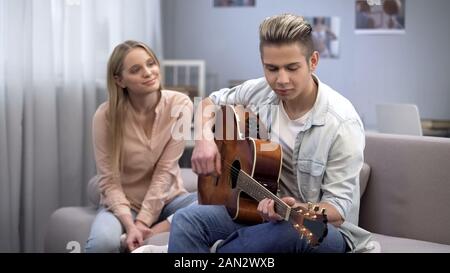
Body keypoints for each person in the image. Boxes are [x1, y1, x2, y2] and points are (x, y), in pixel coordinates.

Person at [168, 13, 372, 253]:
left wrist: (295, 208)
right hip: (259, 211)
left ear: (313, 61)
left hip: (320, 230)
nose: (281, 80)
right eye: (272, 68)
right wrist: (204, 139)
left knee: (287, 231)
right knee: (186, 220)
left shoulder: (342, 122)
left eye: (292, 68)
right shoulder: (260, 91)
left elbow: (338, 210)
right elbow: (210, 103)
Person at [85, 40, 196, 253]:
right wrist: (129, 222)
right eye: (136, 70)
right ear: (119, 80)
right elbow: (109, 180)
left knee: (215, 205)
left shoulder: (181, 105)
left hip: (169, 199)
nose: (148, 72)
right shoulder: (104, 116)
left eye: (151, 63)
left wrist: (144, 226)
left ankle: (149, 233)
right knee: (102, 244)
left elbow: (166, 170)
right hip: (126, 206)